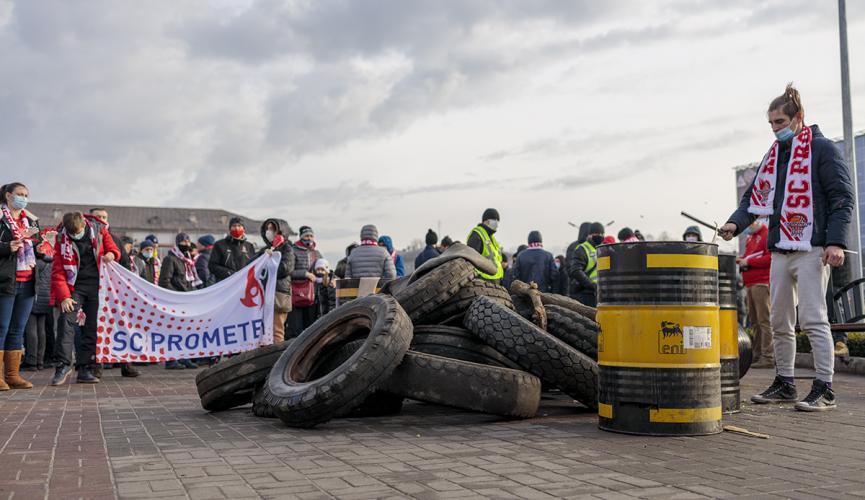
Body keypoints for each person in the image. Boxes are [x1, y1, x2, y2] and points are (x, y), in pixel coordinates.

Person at [719, 84, 854, 412]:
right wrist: (735, 222)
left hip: (812, 248)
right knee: (780, 321)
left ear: (798, 118)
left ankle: (825, 388)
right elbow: (753, 197)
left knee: (813, 318)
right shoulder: (775, 156)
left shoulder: (822, 150)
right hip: (780, 248)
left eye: (780, 122)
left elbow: (841, 197)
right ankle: (785, 382)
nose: (775, 129)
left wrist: (835, 241)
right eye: (771, 124)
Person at [51, 212, 120, 385]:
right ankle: (63, 365)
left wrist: (111, 254)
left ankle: (85, 368)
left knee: (92, 327)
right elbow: (58, 271)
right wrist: (65, 297)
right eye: (72, 234)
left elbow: (114, 249)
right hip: (74, 286)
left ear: (84, 225)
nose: (75, 236)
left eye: (78, 232)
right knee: (66, 321)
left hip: (98, 286)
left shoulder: (100, 230)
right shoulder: (61, 239)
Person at [0, 182, 41, 390]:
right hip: (5, 280)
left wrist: (44, 248)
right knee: (2, 328)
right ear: (8, 196)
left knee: (18, 329)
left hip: (27, 281)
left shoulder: (31, 220)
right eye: (19, 194)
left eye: (26, 194)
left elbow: (39, 251)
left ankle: (12, 375)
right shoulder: (1, 219)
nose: (23, 198)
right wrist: (7, 247)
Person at [159, 233, 201, 369]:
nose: (187, 243)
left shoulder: (186, 260)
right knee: (174, 331)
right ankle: (171, 360)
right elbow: (164, 281)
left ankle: (184, 357)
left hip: (187, 300)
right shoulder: (170, 259)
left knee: (185, 331)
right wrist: (177, 296)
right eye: (183, 241)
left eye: (188, 240)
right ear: (177, 243)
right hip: (176, 301)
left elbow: (190, 281)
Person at [738, 219, 774, 369]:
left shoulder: (766, 234)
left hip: (762, 282)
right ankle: (758, 354)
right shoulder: (751, 237)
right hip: (750, 283)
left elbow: (770, 258)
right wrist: (742, 261)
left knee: (764, 321)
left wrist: (749, 263)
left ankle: (768, 356)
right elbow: (749, 257)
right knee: (754, 321)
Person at [258, 219, 294, 343]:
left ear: (280, 231)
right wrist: (265, 256)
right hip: (264, 293)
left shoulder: (287, 249)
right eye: (267, 229)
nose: (269, 232)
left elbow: (285, 269)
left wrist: (270, 260)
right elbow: (252, 265)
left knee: (277, 331)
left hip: (279, 294)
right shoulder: (265, 250)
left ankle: (277, 358)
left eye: (272, 229)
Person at [288, 226, 322, 337]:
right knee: (296, 328)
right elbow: (289, 272)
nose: (309, 238)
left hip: (312, 295)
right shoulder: (292, 251)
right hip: (296, 295)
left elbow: (324, 269)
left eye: (311, 236)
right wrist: (305, 274)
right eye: (307, 236)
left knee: (310, 328)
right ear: (301, 237)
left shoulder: (316, 253)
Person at [22, 254, 53, 371]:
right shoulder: (50, 262)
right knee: (42, 330)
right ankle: (40, 360)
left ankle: (32, 360)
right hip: (46, 297)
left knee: (31, 330)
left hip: (34, 296)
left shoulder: (35, 261)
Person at [568, 222, 604, 307]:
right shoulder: (582, 249)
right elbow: (575, 270)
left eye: (602, 234)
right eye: (597, 233)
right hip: (584, 293)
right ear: (590, 234)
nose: (600, 235)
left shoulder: (602, 248)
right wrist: (591, 285)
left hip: (598, 293)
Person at [209, 217, 255, 283]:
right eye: (234, 226)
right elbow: (212, 266)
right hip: (225, 283)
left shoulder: (249, 246)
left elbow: (253, 264)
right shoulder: (219, 244)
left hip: (244, 283)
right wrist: (229, 273)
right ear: (230, 229)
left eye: (239, 226)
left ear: (244, 229)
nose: (236, 228)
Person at [466, 208, 504, 282]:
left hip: (495, 280)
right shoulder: (477, 235)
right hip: (483, 280)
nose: (496, 223)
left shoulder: (491, 238)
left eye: (497, 221)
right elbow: (471, 261)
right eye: (494, 220)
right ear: (486, 221)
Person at [564, 222, 591, 298]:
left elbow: (568, 268)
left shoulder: (572, 246)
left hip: (574, 287)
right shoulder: (590, 247)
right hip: (589, 288)